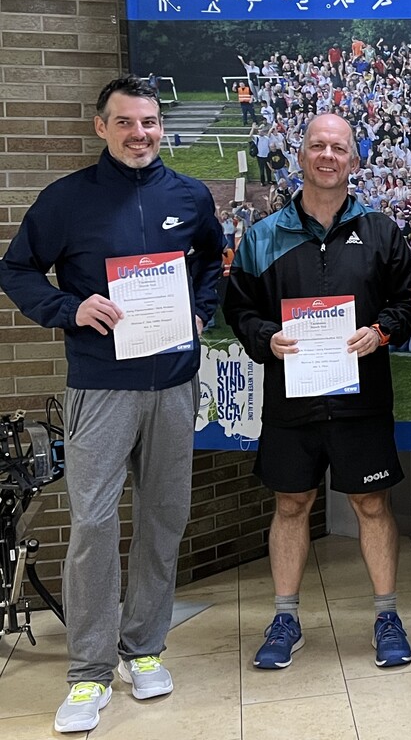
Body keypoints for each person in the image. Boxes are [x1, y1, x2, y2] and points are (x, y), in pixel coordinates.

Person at [0, 75, 223, 733]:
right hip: (100, 388)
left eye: (148, 122)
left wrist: (199, 312)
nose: (138, 134)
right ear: (101, 127)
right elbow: (15, 269)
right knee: (94, 524)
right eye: (124, 122)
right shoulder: (66, 200)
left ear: (161, 127)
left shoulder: (189, 195)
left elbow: (210, 263)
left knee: (163, 519)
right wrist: (68, 308)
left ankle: (144, 647)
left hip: (174, 385)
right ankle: (89, 672)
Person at [223, 113, 411, 672]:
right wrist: (266, 337)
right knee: (291, 504)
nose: (328, 156)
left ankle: (386, 615)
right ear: (301, 154)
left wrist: (381, 331)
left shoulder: (380, 231)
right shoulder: (263, 235)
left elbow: (406, 301)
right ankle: (285, 618)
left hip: (362, 400)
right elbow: (239, 309)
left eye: (338, 148)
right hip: (293, 400)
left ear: (354, 159)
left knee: (372, 504)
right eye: (317, 146)